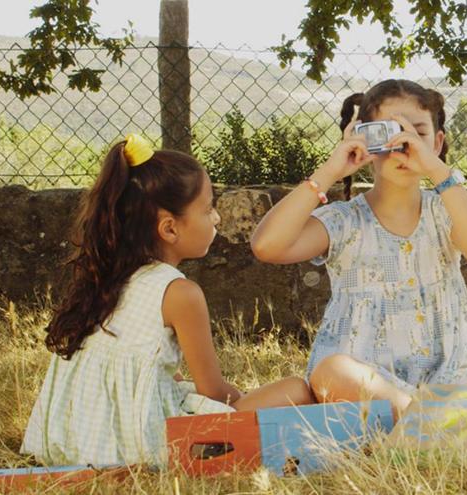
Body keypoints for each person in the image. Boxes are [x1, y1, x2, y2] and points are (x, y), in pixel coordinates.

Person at [250, 79, 467, 419]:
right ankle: (435, 427)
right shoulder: (344, 221)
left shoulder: (445, 210)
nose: (403, 145)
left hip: (448, 384)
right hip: (367, 385)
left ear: (437, 142)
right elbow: (267, 246)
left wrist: (439, 172)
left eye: (416, 133)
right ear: (363, 138)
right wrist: (332, 169)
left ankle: (422, 425)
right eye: (389, 133)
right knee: (331, 372)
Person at [21, 134, 314, 466]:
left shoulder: (108, 278)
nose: (216, 218)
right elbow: (213, 392)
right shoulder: (179, 293)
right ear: (170, 229)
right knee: (296, 391)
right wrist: (245, 399)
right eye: (208, 209)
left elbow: (145, 372)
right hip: (138, 447)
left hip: (70, 442)